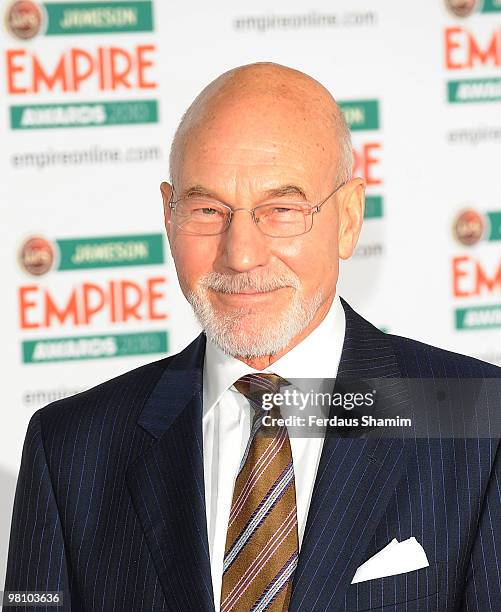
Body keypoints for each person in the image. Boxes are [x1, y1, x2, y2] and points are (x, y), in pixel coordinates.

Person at [4, 62, 501, 612]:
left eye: (281, 210)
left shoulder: (478, 422)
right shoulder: (71, 449)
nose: (240, 254)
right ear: (168, 216)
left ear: (349, 218)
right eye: (207, 209)